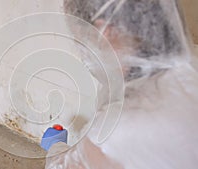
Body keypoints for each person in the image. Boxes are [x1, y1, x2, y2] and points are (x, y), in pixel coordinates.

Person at [41, 0, 198, 168]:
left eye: (80, 39)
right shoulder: (191, 67)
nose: (84, 53)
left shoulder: (120, 127)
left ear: (105, 33)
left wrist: (55, 147)